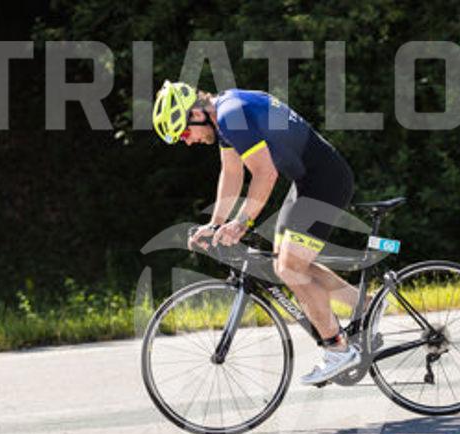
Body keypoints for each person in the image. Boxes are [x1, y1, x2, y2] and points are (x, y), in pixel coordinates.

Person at [152, 80, 362, 385]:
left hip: (324, 180)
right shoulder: (225, 115)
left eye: (184, 133)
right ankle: (365, 305)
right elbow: (232, 172)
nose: (188, 142)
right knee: (285, 262)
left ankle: (338, 350)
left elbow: (265, 173)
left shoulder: (231, 115)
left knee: (289, 267)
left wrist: (241, 222)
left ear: (196, 114)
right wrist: (215, 224)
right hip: (308, 181)